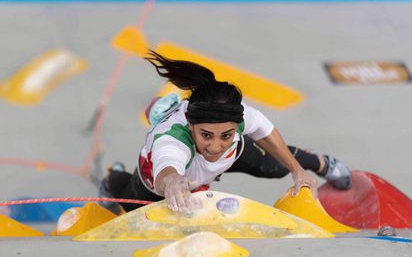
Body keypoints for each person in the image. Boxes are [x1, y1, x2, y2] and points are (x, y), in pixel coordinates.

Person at [98, 51, 352, 214]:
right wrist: (171, 181)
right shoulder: (172, 139)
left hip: (215, 163)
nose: (216, 146)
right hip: (158, 181)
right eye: (206, 135)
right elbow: (167, 165)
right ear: (190, 124)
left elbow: (266, 133)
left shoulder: (236, 116)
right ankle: (112, 180)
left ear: (236, 127)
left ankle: (322, 163)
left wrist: (298, 171)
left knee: (273, 166)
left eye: (226, 135)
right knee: (133, 204)